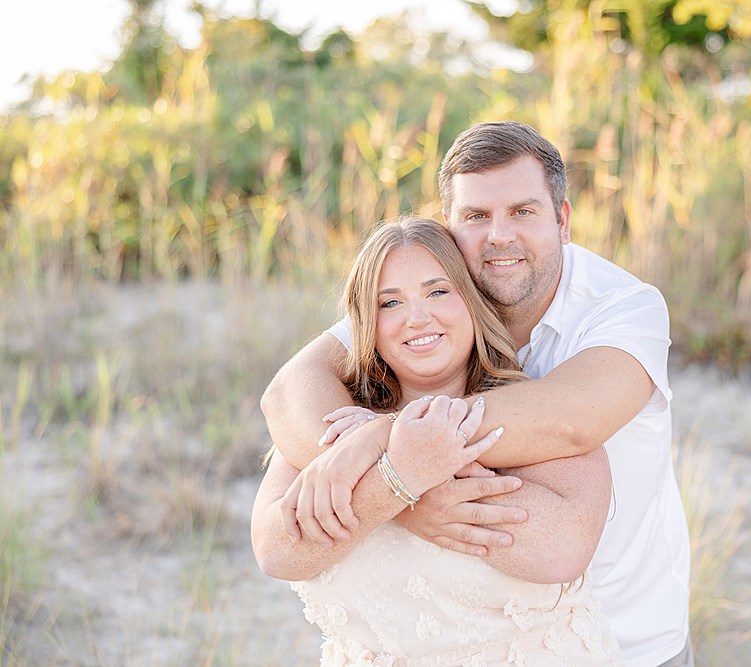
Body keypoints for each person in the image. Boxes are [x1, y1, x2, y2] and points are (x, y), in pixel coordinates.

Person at [260, 122, 693, 667]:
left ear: (562, 220)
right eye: (476, 217)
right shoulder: (424, 301)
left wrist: (387, 442)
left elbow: (572, 421)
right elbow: (287, 391)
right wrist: (394, 490)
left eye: (523, 212)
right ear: (449, 228)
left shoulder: (625, 307)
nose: (499, 236)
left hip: (628, 637)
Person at [252, 217, 622, 665]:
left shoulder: (528, 411)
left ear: (473, 301)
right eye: (389, 303)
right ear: (365, 322)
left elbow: (559, 552)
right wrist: (398, 478)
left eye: (438, 291)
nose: (417, 317)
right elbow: (278, 551)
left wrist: (390, 449)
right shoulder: (335, 424)